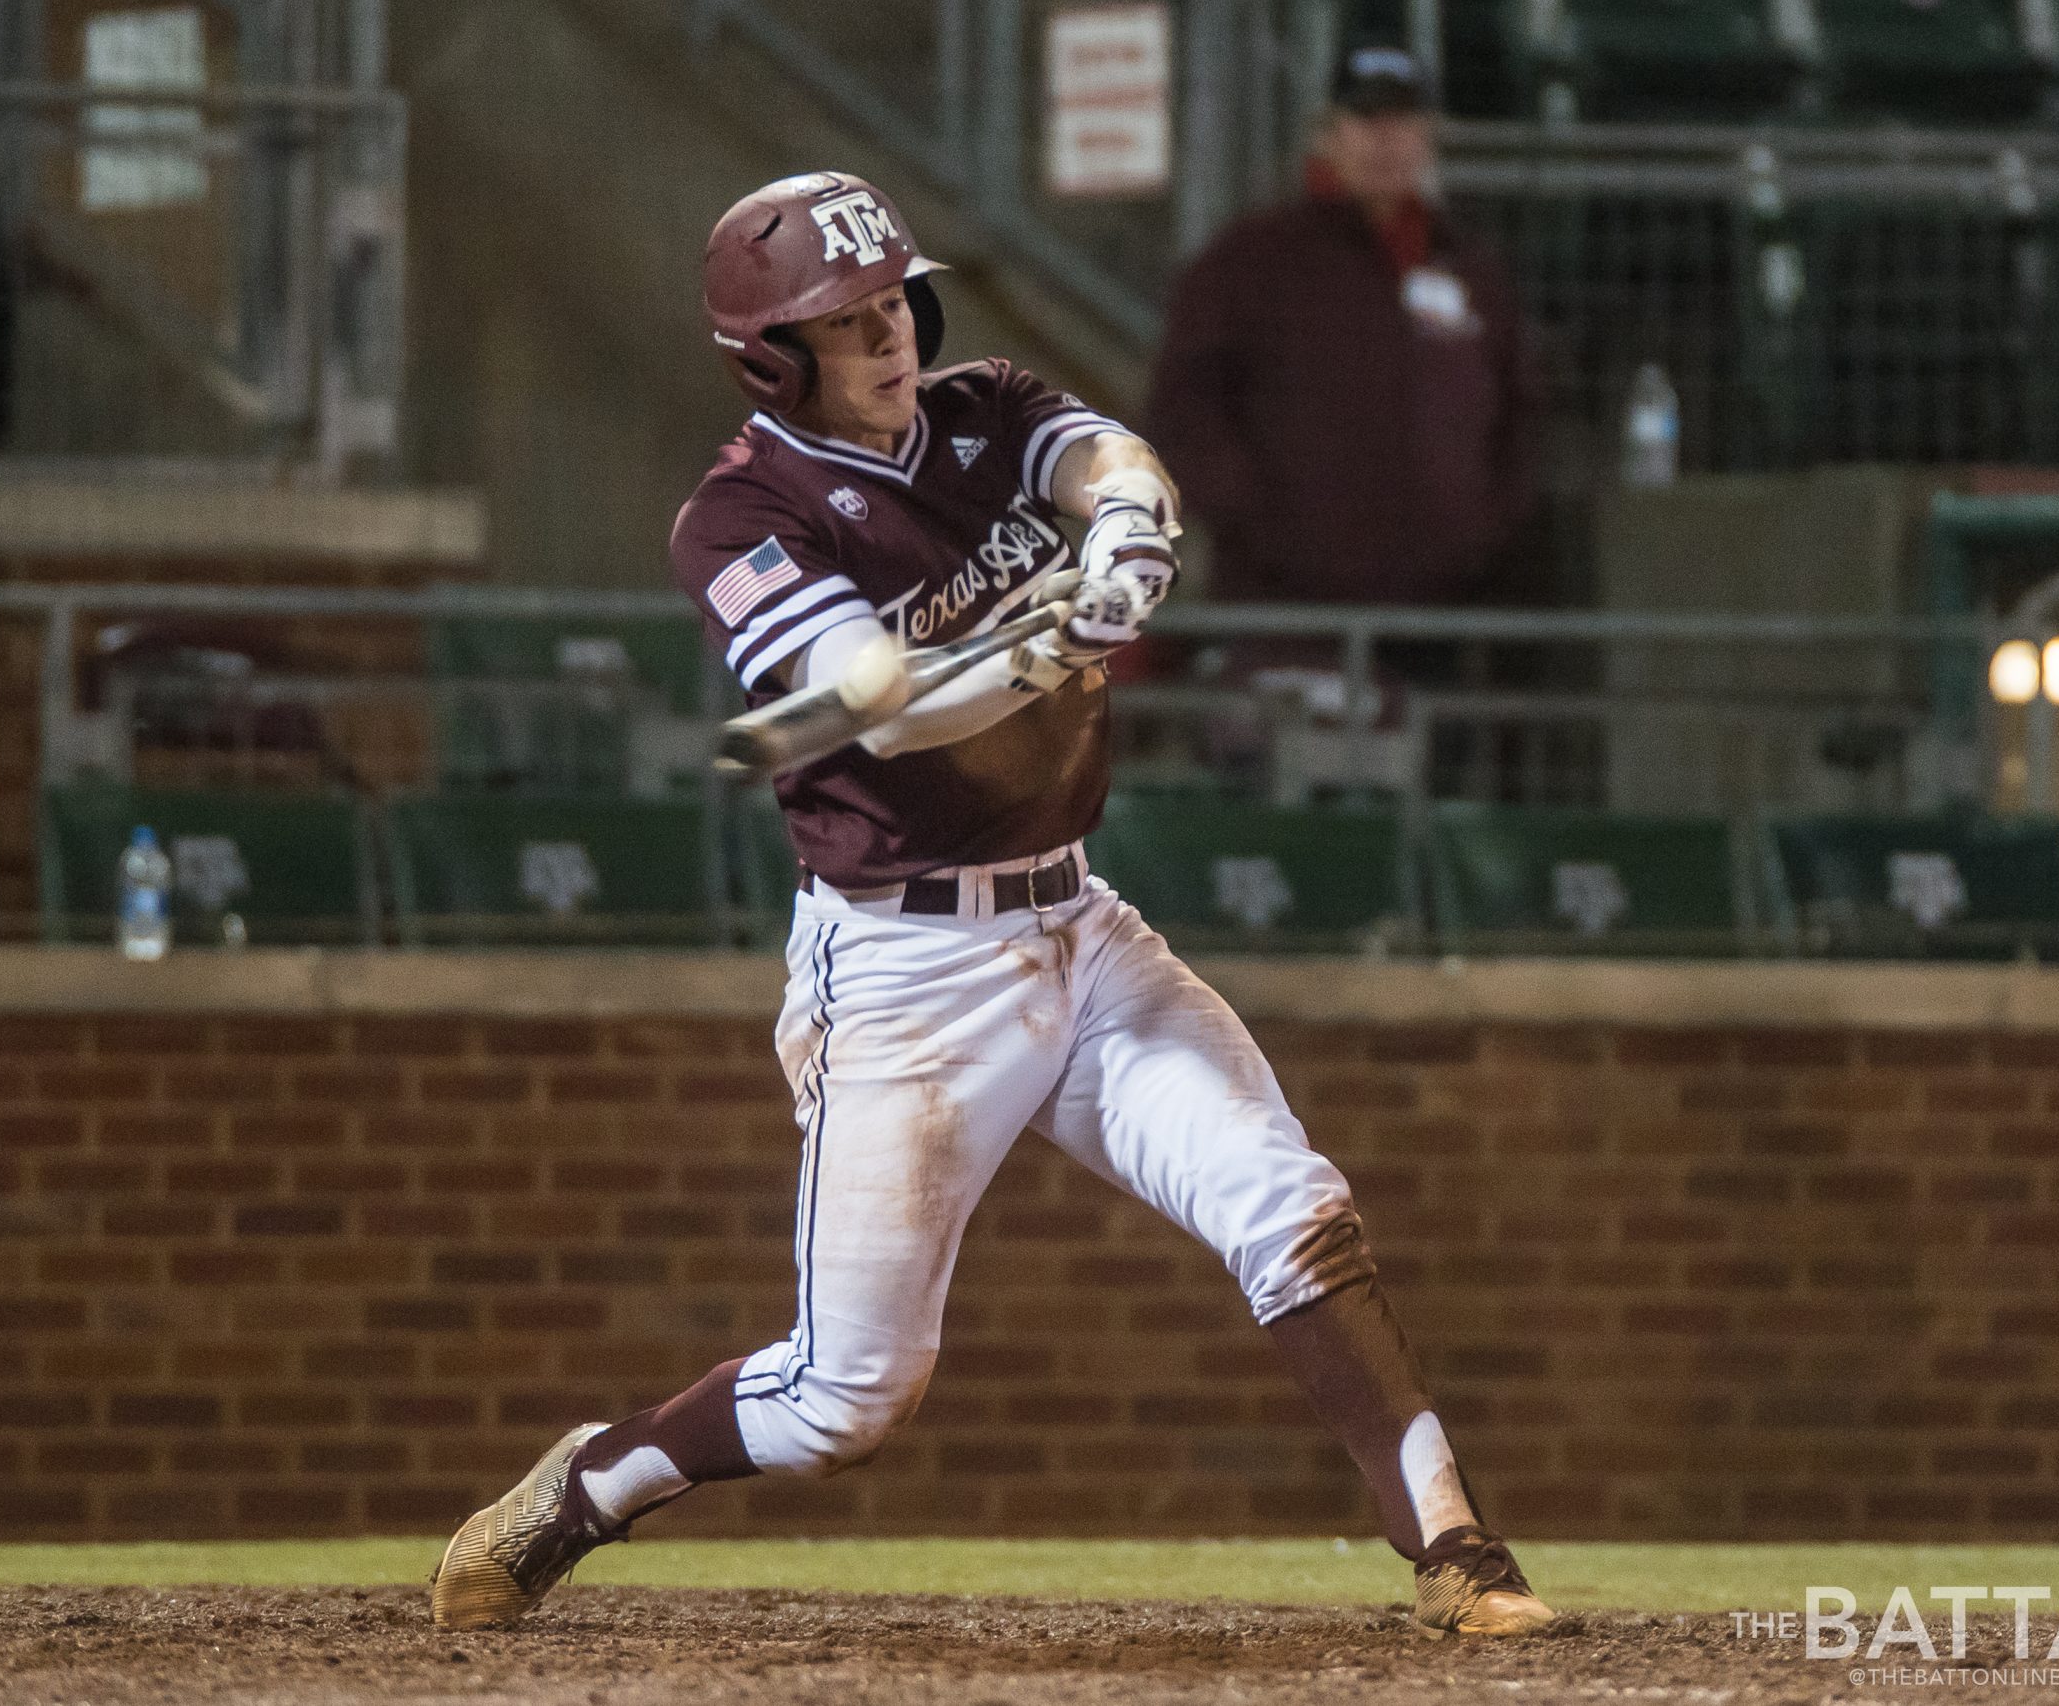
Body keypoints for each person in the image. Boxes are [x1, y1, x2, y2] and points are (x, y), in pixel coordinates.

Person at [429, 171, 1553, 1637]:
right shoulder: (738, 519)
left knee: (1290, 1201)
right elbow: (885, 719)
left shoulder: (987, 406)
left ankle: (1459, 1548)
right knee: (848, 1396)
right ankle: (593, 1481)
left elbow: (1109, 459)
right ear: (774, 354)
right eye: (846, 319)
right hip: (903, 966)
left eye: (893, 299)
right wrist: (1032, 646)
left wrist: (1129, 535)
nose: (889, 333)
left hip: (1078, 927)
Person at [1146, 44, 1540, 607]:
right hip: (1286, 612)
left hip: (1443, 610)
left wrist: (1479, 533)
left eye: (1402, 121)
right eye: (1365, 119)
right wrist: (1264, 530)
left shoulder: (1469, 267)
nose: (1385, 139)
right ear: (1328, 135)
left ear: (1428, 136)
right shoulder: (1251, 261)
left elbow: (1519, 415)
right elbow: (1185, 408)